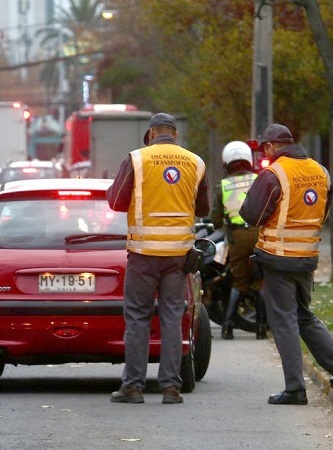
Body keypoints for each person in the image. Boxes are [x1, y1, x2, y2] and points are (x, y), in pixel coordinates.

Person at [239, 123, 333, 405]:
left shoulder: (273, 174)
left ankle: (295, 388)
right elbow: (323, 212)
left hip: (278, 258)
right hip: (306, 257)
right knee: (304, 315)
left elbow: (251, 216)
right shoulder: (320, 171)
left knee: (284, 321)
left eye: (264, 149)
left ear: (270, 146)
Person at [106, 112, 210, 404]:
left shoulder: (137, 160)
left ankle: (133, 387)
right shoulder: (195, 162)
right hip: (178, 256)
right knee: (173, 317)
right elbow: (202, 208)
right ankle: (171, 387)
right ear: (175, 135)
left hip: (143, 255)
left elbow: (115, 201)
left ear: (151, 135)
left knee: (138, 318)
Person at [210, 141, 265, 340]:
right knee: (261, 282)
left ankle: (227, 326)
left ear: (226, 163)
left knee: (239, 281)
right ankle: (260, 328)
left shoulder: (222, 186)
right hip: (260, 234)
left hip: (238, 237)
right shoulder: (260, 179)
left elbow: (215, 220)